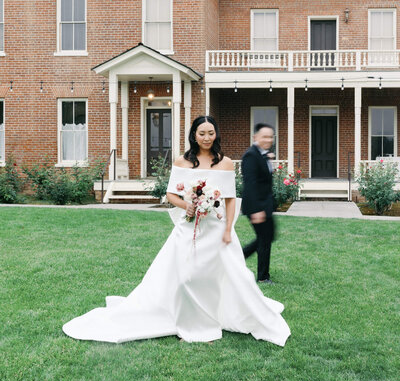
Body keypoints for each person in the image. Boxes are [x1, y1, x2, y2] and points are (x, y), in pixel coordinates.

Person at [62, 116, 290, 346]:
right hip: (189, 227)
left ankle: (218, 316)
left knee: (222, 278)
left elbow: (230, 200)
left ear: (216, 134)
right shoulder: (182, 162)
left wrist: (228, 229)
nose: (207, 138)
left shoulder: (226, 163)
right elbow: (171, 195)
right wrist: (187, 205)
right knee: (186, 278)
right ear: (194, 135)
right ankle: (191, 324)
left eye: (211, 133)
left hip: (216, 229)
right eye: (202, 133)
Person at [241, 123, 276, 284]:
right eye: (265, 136)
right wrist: (256, 210)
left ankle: (239, 257)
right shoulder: (250, 155)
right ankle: (262, 277)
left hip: (265, 205)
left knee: (267, 237)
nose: (268, 139)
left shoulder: (262, 154)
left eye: (271, 136)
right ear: (256, 137)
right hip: (256, 207)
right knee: (264, 239)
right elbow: (250, 184)